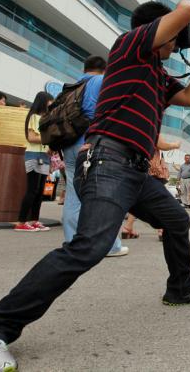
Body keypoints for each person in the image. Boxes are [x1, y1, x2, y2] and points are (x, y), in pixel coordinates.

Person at [0, 0, 190, 371]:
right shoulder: (131, 46)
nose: (178, 44)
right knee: (90, 246)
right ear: (160, 30)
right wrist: (186, 28)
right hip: (107, 160)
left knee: (177, 220)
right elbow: (187, 8)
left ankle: (180, 287)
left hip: (135, 169)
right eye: (174, 38)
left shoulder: (158, 76)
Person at [62, 56, 128, 257]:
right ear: (104, 69)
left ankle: (73, 241)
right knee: (103, 193)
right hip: (91, 142)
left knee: (73, 194)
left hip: (69, 144)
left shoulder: (72, 85)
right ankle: (109, 246)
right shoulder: (100, 82)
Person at [13, 92, 54, 232]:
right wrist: (49, 140)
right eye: (50, 102)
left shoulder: (44, 118)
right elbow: (31, 138)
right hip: (34, 155)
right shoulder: (33, 117)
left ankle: (34, 220)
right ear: (43, 101)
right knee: (32, 190)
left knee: (39, 191)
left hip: (44, 156)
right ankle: (21, 222)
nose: (51, 105)